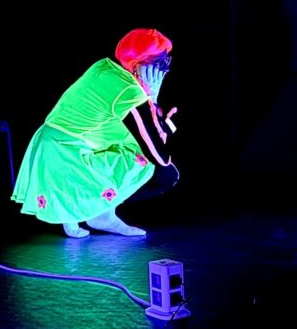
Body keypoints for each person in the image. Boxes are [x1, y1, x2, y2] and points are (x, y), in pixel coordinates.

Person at [11, 28, 179, 238]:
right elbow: (161, 156)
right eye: (159, 62)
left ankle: (96, 214)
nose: (164, 69)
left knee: (128, 145)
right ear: (139, 64)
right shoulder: (130, 92)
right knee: (159, 171)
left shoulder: (104, 66)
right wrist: (151, 98)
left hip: (48, 142)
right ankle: (92, 212)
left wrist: (149, 104)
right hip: (66, 153)